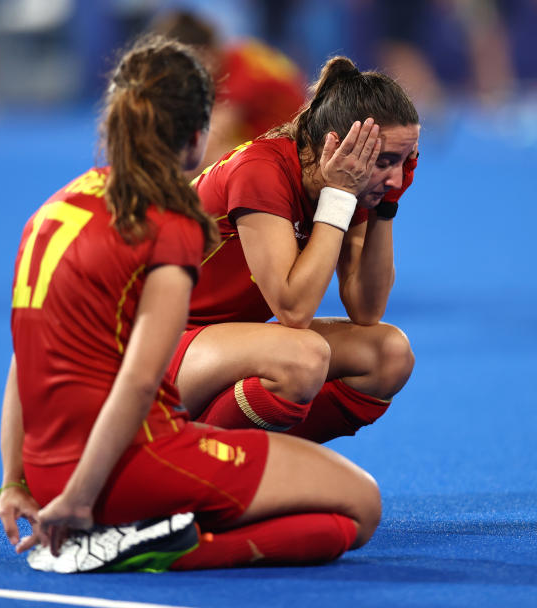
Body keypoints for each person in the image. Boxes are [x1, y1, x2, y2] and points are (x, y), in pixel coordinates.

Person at [0, 35, 381, 573]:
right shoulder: (170, 227)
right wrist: (83, 499)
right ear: (201, 133)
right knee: (360, 510)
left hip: (46, 468)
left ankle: (160, 524)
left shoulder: (53, 210)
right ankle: (137, 539)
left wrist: (17, 481)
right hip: (123, 464)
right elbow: (138, 382)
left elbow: (22, 360)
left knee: (332, 523)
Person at [166, 55, 420, 444]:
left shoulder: (343, 181)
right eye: (384, 161)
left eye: (406, 162)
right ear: (336, 147)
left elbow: (366, 309)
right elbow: (294, 309)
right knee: (302, 356)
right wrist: (338, 198)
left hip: (210, 345)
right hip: (147, 348)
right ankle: (193, 459)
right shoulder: (261, 170)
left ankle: (240, 454)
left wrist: (386, 207)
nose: (396, 177)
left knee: (388, 354)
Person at [148, 9, 307, 176]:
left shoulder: (240, 78)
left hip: (296, 158)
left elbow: (206, 144)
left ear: (203, 55)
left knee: (205, 161)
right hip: (277, 144)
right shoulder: (240, 53)